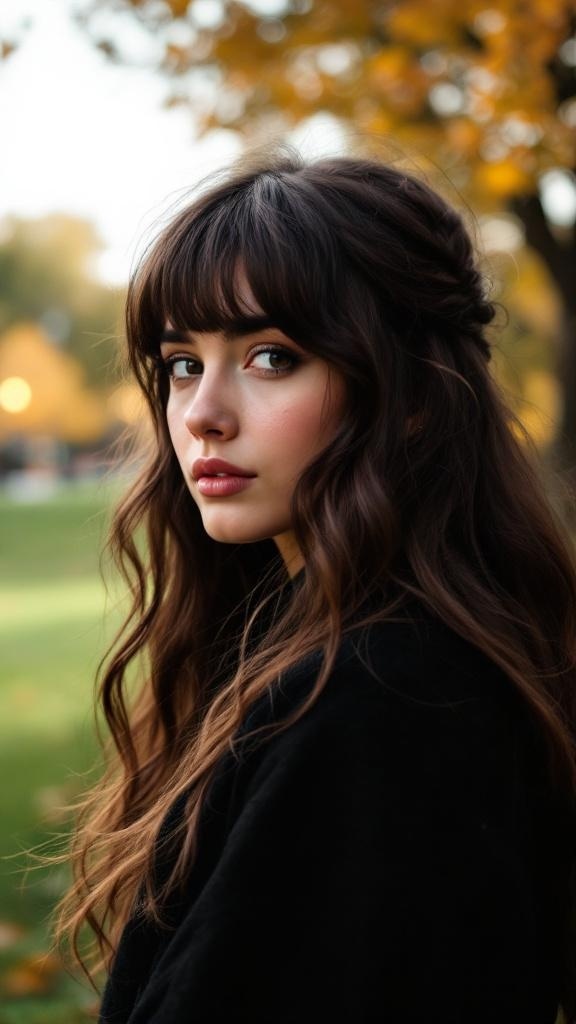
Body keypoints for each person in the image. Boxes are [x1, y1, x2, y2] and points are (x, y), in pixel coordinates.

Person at [56, 146, 576, 1023]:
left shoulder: (379, 699)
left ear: (409, 393)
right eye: (183, 362)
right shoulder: (355, 660)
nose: (201, 413)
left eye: (270, 357)